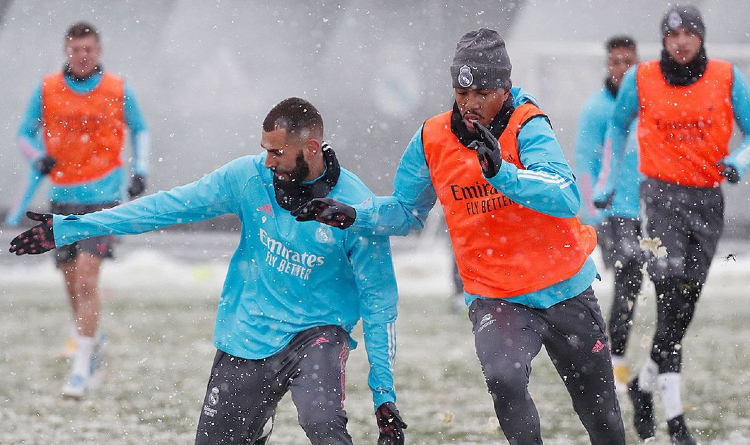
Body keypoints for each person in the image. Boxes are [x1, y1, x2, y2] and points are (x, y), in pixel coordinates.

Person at [10, 97, 407, 445]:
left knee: (323, 424)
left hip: (318, 332)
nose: (268, 162)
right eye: (264, 151)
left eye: (277, 153)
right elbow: (164, 207)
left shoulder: (356, 208)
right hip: (250, 329)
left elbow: (380, 302)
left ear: (311, 147)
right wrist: (70, 228)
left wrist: (384, 394)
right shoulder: (248, 177)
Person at [294, 28, 625, 445]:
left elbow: (565, 196)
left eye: (482, 92)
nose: (470, 103)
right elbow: (406, 212)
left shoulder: (528, 125)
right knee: (504, 377)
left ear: (504, 89)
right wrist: (353, 215)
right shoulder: (432, 138)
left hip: (564, 289)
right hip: (496, 295)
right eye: (461, 91)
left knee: (603, 419)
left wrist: (502, 174)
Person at [594, 5, 750, 444]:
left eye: (689, 34)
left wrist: (738, 162)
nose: (680, 42)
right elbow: (617, 125)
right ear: (663, 40)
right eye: (672, 34)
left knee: (685, 307)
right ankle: (676, 420)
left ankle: (644, 384)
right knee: (669, 290)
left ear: (701, 38)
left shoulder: (726, 77)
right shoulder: (641, 79)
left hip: (706, 200)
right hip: (659, 198)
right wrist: (606, 181)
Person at [15, 21, 151, 398]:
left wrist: (141, 169)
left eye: (89, 48)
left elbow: (140, 129)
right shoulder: (47, 89)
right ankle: (92, 340)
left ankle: (81, 367)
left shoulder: (117, 89)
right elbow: (23, 133)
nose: (83, 55)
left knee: (89, 281)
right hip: (62, 197)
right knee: (72, 282)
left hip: (104, 197)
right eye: (76, 49)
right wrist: (37, 157)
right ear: (66, 52)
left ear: (99, 50)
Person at [574, 35, 644, 387]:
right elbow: (584, 166)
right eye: (615, 62)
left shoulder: (650, 107)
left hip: (649, 208)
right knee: (628, 272)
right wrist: (592, 215)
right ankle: (612, 360)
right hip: (611, 211)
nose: (621, 69)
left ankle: (635, 358)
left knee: (638, 282)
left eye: (627, 62)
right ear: (607, 65)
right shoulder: (595, 110)